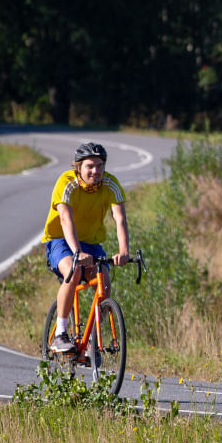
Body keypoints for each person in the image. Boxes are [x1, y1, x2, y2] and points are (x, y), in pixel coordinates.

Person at [42, 142, 130, 353]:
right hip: (60, 239)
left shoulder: (111, 184)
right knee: (73, 272)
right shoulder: (67, 182)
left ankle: (92, 337)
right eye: (90, 166)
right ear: (78, 167)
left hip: (91, 242)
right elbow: (65, 218)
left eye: (100, 166)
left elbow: (120, 219)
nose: (95, 171)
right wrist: (76, 252)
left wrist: (124, 250)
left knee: (104, 282)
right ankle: (61, 334)